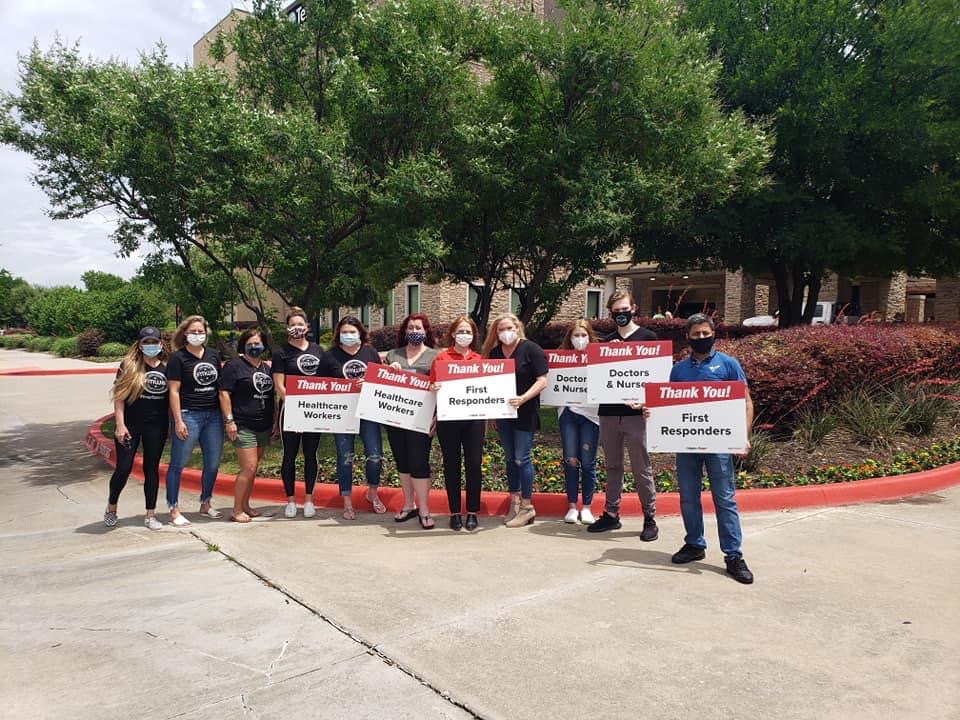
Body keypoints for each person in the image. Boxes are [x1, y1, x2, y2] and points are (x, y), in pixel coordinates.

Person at [665, 313, 755, 584]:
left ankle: (733, 555)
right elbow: (668, 405)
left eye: (706, 333)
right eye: (696, 334)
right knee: (689, 497)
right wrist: (653, 416)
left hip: (719, 445)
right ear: (688, 337)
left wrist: (743, 436)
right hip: (687, 443)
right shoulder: (678, 369)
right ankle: (694, 543)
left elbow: (746, 403)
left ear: (713, 334)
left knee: (725, 499)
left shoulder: (729, 365)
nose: (702, 338)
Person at [588, 290, 659, 540]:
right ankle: (611, 514)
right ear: (610, 313)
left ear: (634, 308)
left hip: (635, 415)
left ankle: (649, 517)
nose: (621, 314)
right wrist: (610, 354)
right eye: (616, 311)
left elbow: (657, 378)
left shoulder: (649, 338)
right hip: (608, 413)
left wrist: (648, 401)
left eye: (624, 309)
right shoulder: (605, 343)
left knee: (641, 467)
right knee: (613, 465)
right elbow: (596, 380)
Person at [481, 313, 548, 528]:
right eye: (500, 330)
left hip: (525, 412)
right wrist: (492, 413)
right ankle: (515, 502)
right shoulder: (494, 353)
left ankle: (528, 506)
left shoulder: (531, 349)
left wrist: (524, 398)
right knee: (510, 458)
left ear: (517, 328)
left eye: (509, 328)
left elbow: (542, 380)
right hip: (503, 415)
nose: (505, 333)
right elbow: (490, 385)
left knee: (522, 458)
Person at [103, 326, 169, 530]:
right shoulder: (129, 366)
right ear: (139, 345)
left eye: (154, 342)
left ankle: (150, 514)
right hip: (130, 425)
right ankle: (111, 507)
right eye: (146, 343)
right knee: (123, 468)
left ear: (160, 343)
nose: (150, 346)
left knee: (152, 469)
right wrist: (120, 425)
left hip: (156, 427)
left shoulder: (167, 367)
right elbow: (120, 398)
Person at [165, 315, 224, 526]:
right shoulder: (178, 358)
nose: (197, 335)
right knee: (178, 463)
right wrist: (178, 420)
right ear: (184, 333)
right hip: (189, 415)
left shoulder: (214, 356)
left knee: (213, 463)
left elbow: (220, 388)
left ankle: (205, 502)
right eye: (193, 331)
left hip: (213, 416)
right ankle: (173, 507)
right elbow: (174, 391)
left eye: (201, 331)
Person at [325, 315, 385, 519]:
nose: (348, 335)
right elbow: (321, 386)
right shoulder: (330, 356)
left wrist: (369, 383)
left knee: (375, 455)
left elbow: (381, 380)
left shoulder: (370, 353)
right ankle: (347, 502)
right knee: (345, 457)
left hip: (368, 412)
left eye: (352, 331)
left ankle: (372, 493)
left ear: (360, 332)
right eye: (344, 332)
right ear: (338, 334)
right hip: (342, 415)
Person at [430, 316, 485, 531]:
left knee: (474, 464)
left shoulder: (479, 360)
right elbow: (431, 386)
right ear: (453, 334)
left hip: (474, 420)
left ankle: (472, 511)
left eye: (468, 332)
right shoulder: (441, 359)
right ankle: (454, 512)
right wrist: (434, 388)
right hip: (448, 419)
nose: (465, 335)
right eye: (461, 331)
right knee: (451, 464)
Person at [385, 314, 439, 529]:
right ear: (404, 331)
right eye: (410, 327)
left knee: (419, 462)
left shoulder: (435, 357)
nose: (414, 331)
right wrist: (389, 372)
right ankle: (408, 504)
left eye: (419, 327)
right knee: (403, 461)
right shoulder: (392, 355)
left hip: (422, 419)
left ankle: (424, 509)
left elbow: (441, 388)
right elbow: (381, 384)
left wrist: (436, 417)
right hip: (395, 417)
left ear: (426, 331)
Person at [271, 307, 325, 518]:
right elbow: (279, 385)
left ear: (307, 327)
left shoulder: (318, 351)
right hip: (290, 411)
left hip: (313, 411)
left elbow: (327, 381)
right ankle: (291, 500)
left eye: (300, 325)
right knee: (290, 455)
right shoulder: (281, 353)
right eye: (293, 325)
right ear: (287, 328)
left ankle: (309, 499)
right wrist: (295, 405)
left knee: (311, 454)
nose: (297, 328)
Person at [219, 329, 275, 523]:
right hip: (243, 424)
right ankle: (236, 510)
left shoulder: (267, 368)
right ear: (243, 345)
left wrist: (274, 420)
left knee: (254, 467)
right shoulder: (234, 366)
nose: (254, 347)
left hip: (264, 424)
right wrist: (229, 421)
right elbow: (224, 393)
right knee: (248, 467)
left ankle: (246, 505)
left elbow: (271, 396)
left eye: (258, 343)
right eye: (250, 343)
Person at [556, 320, 599, 525]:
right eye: (576, 335)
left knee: (588, 463)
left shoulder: (599, 360)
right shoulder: (560, 359)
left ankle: (587, 507)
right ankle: (572, 506)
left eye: (583, 335)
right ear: (570, 339)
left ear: (590, 337)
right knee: (571, 461)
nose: (580, 339)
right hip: (569, 415)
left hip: (591, 417)